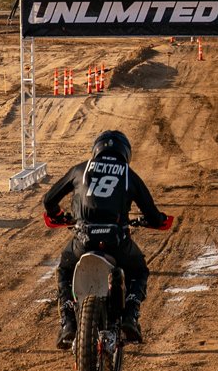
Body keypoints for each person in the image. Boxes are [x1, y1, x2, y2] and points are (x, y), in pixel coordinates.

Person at [43, 130, 171, 349]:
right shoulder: (128, 174)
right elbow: (152, 214)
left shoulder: (80, 169)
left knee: (65, 269)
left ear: (96, 150)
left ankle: (68, 322)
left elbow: (48, 200)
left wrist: (58, 215)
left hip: (83, 241)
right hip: (116, 242)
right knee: (139, 270)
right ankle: (130, 316)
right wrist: (156, 221)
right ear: (125, 153)